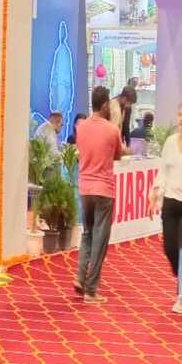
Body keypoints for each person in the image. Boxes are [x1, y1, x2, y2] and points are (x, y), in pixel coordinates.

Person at [148, 102, 182, 313]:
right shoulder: (171, 142)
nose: (181, 119)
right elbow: (163, 169)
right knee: (169, 248)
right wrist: (155, 192)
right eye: (180, 115)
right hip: (170, 201)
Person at [73, 86, 123, 304]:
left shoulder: (81, 127)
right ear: (104, 105)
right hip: (103, 189)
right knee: (100, 240)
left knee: (87, 234)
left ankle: (80, 277)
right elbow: (117, 155)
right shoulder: (112, 130)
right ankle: (91, 290)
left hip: (85, 188)